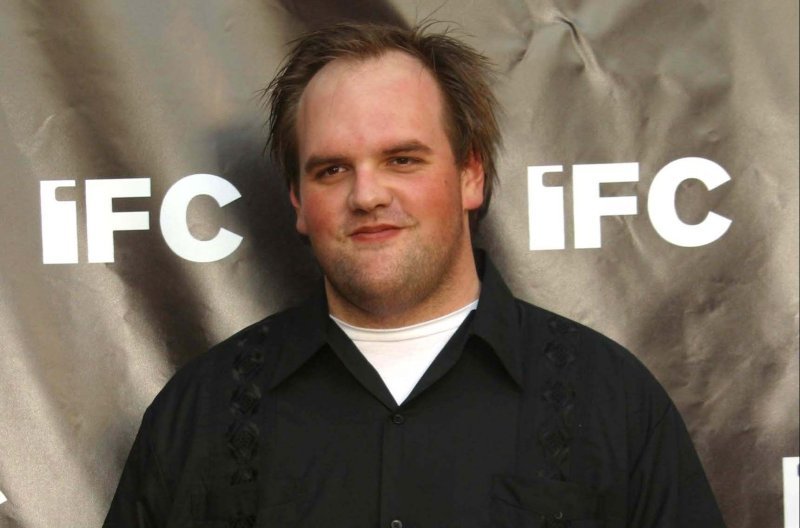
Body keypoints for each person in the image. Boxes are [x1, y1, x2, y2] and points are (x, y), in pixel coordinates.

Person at [103, 22, 726, 527]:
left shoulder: (610, 401)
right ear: (296, 200)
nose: (367, 194)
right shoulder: (202, 412)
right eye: (331, 170)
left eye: (402, 159)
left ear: (470, 175)